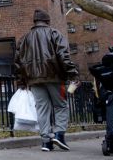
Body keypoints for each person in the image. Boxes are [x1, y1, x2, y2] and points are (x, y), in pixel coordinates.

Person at [15, 9, 79, 151]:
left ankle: (46, 141)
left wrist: (21, 81)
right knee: (61, 106)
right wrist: (73, 74)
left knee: (42, 108)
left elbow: (17, 63)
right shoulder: (55, 34)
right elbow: (64, 56)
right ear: (48, 21)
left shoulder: (24, 39)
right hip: (54, 77)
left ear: (35, 22)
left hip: (33, 79)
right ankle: (59, 135)